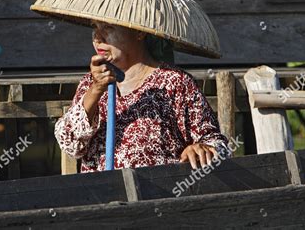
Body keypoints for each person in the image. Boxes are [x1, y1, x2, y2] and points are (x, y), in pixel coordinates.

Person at [55, 20, 230, 172]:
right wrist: (96, 89)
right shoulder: (90, 84)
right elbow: (70, 145)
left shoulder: (174, 82)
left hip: (156, 200)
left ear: (138, 32)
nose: (97, 38)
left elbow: (218, 145)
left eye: (108, 28)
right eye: (95, 27)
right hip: (102, 199)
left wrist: (202, 149)